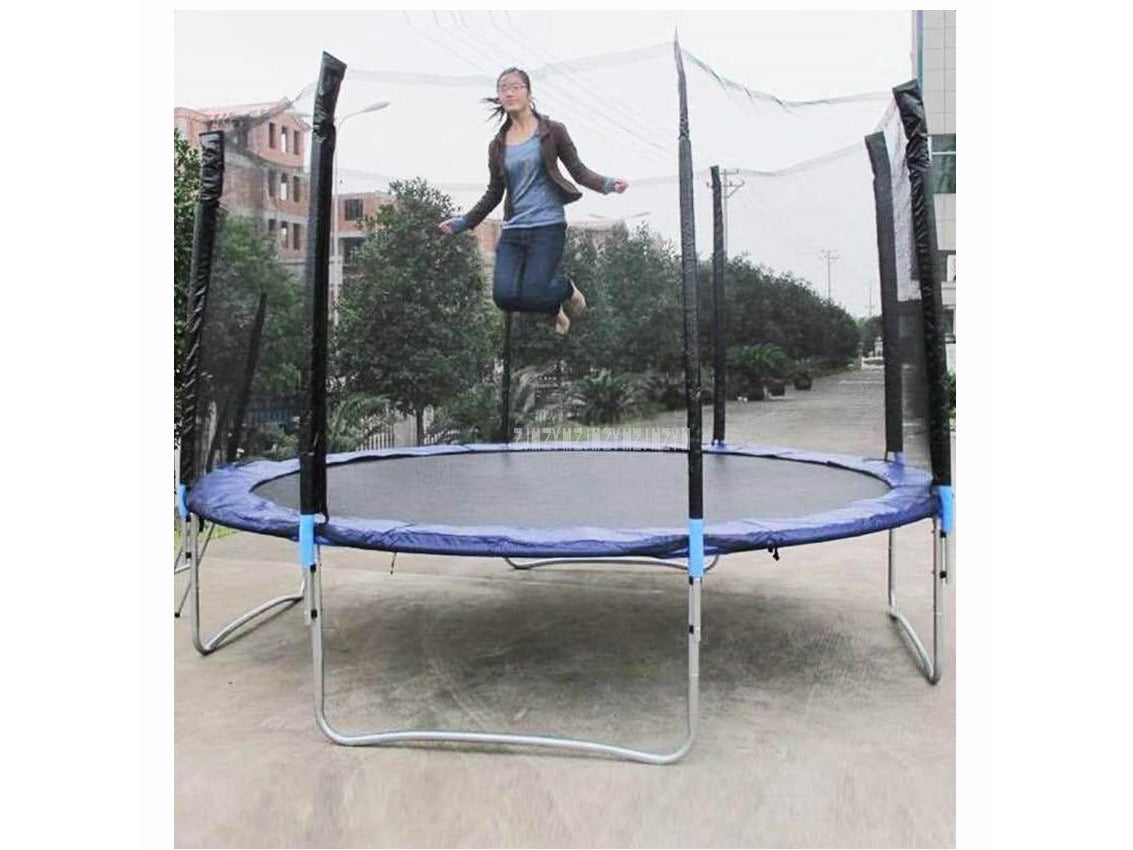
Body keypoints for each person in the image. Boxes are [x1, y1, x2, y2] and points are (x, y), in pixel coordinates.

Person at [438, 67, 629, 334]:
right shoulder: (498, 145)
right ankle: (555, 305)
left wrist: (608, 184)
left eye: (515, 87)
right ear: (499, 96)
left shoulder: (553, 131)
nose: (509, 93)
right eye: (503, 88)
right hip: (514, 229)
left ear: (529, 93)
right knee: (504, 297)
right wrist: (464, 222)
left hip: (547, 227)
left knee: (534, 292)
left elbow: (578, 171)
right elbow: (494, 192)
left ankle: (565, 289)